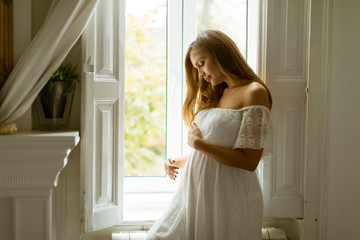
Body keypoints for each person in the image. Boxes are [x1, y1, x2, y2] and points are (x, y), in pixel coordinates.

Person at [146, 30, 273, 240]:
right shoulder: (218, 94)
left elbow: (250, 160)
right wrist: (180, 161)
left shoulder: (254, 92)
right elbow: (213, 148)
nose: (200, 74)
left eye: (202, 63)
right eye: (197, 68)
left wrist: (199, 145)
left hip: (229, 199)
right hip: (196, 196)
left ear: (221, 55)